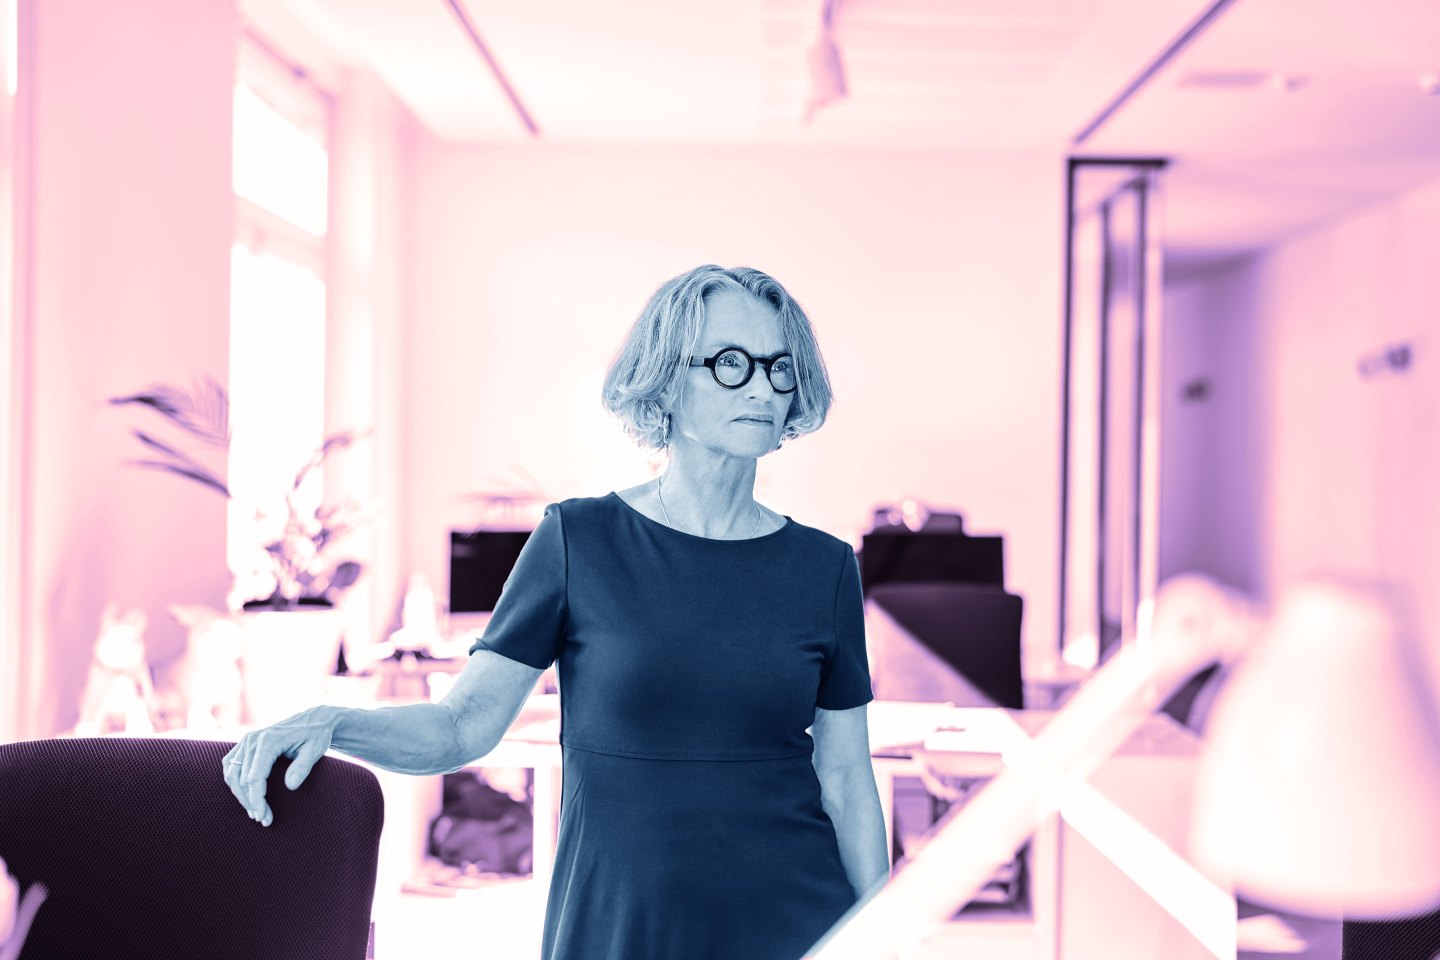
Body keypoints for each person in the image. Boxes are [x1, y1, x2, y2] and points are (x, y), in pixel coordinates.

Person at [222, 264, 891, 959]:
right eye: (730, 363)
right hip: (619, 926)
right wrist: (332, 722)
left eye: (780, 367)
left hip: (797, 924)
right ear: (665, 381)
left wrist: (882, 940)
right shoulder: (579, 540)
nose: (761, 386)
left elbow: (846, 780)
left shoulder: (825, 567)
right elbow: (462, 728)